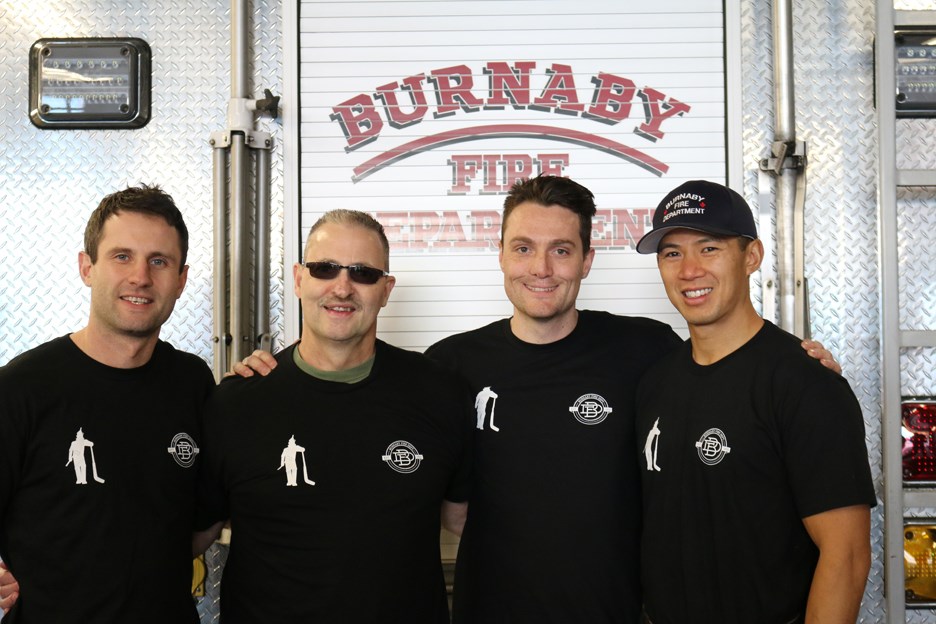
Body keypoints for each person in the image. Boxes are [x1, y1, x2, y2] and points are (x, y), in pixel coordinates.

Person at [233, 176, 841, 624]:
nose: (541, 268)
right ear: (499, 255)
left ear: (587, 261)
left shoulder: (646, 350)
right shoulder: (447, 367)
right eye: (523, 248)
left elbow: (724, 372)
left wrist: (796, 360)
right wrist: (273, 370)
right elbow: (365, 421)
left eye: (562, 249)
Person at [192, 209, 473, 623]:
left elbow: (464, 520)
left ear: (386, 289)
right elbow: (192, 535)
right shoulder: (237, 402)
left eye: (362, 273)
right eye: (325, 269)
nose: (342, 287)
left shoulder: (439, 393)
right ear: (300, 278)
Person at [633, 179, 875, 623]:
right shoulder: (653, 384)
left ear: (752, 257)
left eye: (709, 248)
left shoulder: (804, 383)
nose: (689, 270)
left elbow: (848, 555)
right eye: (672, 253)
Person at [0, 185, 214, 623]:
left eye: (159, 261)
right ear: (87, 267)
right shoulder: (22, 387)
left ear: (181, 279)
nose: (140, 276)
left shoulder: (193, 383)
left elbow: (206, 517)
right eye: (122, 256)